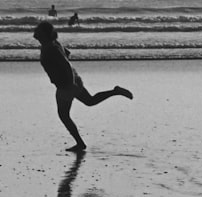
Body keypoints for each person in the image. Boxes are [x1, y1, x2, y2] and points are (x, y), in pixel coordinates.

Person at [33, 21, 132, 151]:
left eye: (39, 31)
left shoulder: (50, 48)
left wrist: (69, 81)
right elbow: (67, 53)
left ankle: (80, 143)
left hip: (66, 84)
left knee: (63, 115)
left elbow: (65, 63)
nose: (35, 32)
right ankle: (115, 91)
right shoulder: (53, 44)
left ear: (44, 34)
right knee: (90, 101)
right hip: (73, 80)